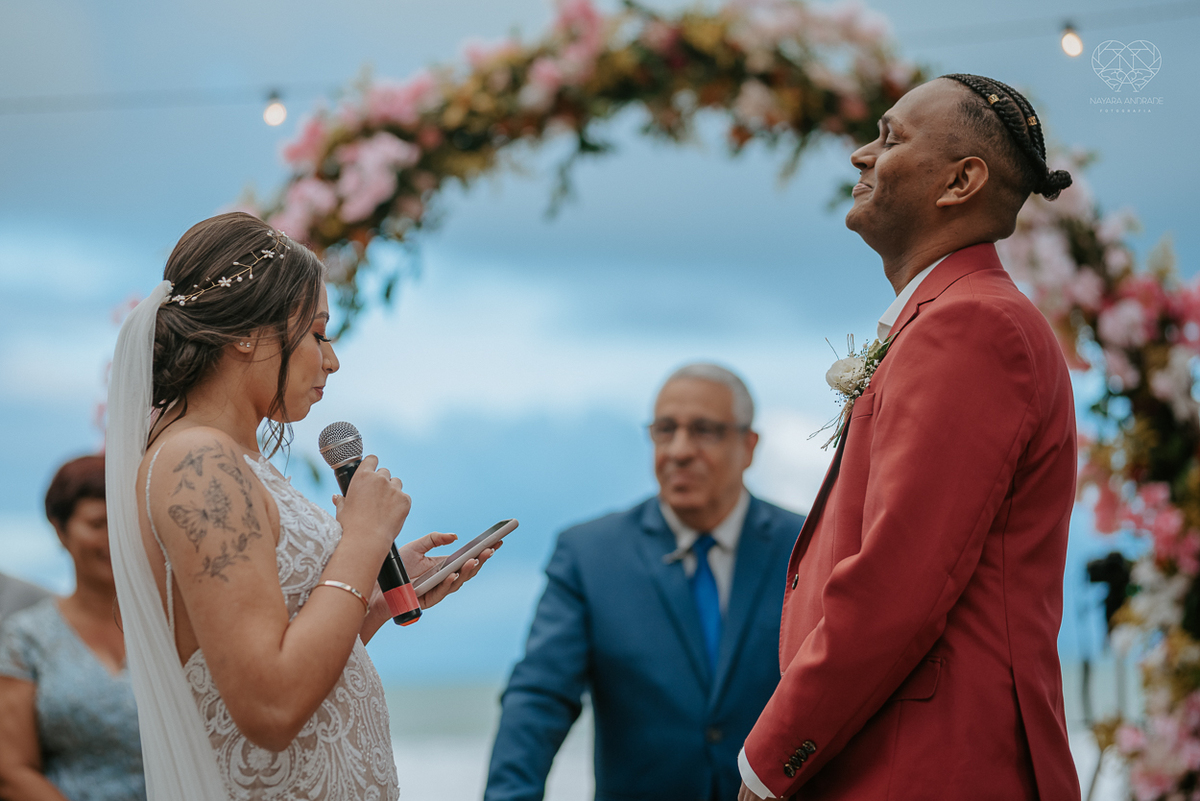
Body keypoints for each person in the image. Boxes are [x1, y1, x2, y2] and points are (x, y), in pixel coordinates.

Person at [737, 75, 1079, 800]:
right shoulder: (952, 314)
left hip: (929, 769)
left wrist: (767, 763)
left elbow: (898, 581)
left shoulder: (971, 324)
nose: (862, 154)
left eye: (890, 138)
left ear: (961, 180)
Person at [104, 212, 496, 801]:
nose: (331, 361)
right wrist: (362, 542)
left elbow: (274, 661)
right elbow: (270, 704)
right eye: (316, 334)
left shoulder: (237, 461)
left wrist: (373, 597)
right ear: (246, 332)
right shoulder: (197, 464)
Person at [485, 364, 804, 801]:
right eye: (665, 429)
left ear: (749, 446)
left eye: (704, 430)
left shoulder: (806, 546)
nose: (679, 450)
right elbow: (540, 698)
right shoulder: (589, 555)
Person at [0, 454, 146, 801]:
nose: (114, 539)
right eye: (98, 524)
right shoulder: (26, 637)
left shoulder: (174, 627)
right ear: (60, 529)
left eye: (125, 523)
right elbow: (11, 772)